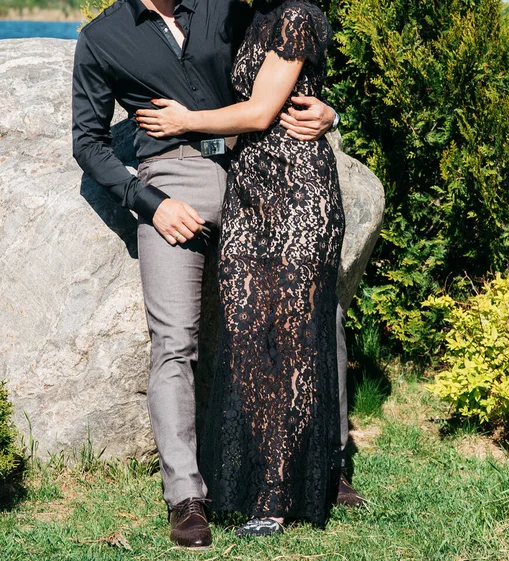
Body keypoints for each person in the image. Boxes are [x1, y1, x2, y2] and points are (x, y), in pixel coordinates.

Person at [72, 0, 363, 549]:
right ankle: (187, 497)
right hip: (172, 183)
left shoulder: (226, 7)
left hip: (255, 174)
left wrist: (332, 113)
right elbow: (86, 143)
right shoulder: (102, 37)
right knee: (174, 341)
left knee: (314, 313)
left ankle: (324, 465)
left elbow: (278, 76)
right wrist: (149, 202)